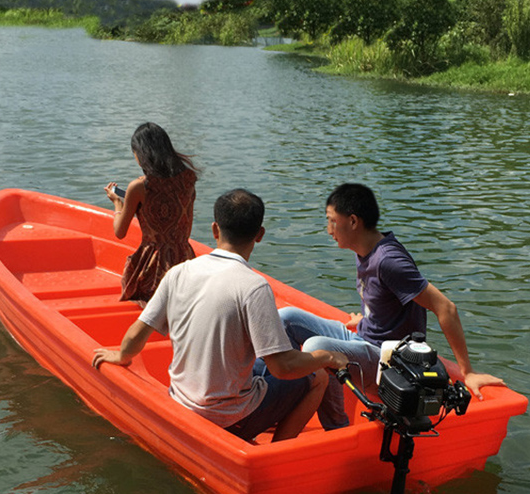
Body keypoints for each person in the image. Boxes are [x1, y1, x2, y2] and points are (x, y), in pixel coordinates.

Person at [92, 189, 348, 443]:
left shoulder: (179, 272)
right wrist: (325, 356)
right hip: (229, 420)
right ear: (259, 235)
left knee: (264, 361)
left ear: (215, 230)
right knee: (318, 377)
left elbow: (139, 331)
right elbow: (283, 368)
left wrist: (121, 355)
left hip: (181, 401)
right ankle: (272, 454)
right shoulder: (253, 286)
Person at [279, 182, 505, 430]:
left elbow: (446, 308)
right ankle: (287, 399)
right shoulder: (364, 249)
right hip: (365, 337)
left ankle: (337, 427)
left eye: (332, 221)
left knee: (315, 347)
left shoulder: (389, 260)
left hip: (389, 358)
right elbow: (385, 301)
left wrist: (467, 372)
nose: (328, 229)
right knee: (286, 318)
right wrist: (366, 319)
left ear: (353, 222)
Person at [104, 122, 198, 303]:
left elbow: (120, 232)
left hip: (153, 266)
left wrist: (117, 204)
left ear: (140, 154)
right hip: (185, 259)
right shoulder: (188, 178)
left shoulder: (139, 187)